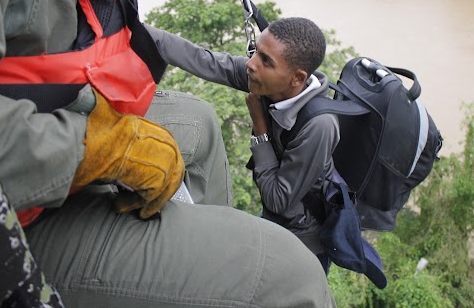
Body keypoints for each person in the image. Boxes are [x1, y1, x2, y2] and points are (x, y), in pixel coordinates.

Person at [0, 0, 336, 306]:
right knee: (291, 276)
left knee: (198, 121)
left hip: (65, 119)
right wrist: (102, 149)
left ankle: (196, 255)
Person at [146, 17, 342, 272]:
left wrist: (260, 128)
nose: (251, 64)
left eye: (265, 61)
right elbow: (203, 60)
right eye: (257, 52)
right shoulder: (267, 81)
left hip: (303, 244)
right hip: (275, 222)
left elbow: (277, 199)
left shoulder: (319, 126)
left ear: (297, 78)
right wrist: (130, 24)